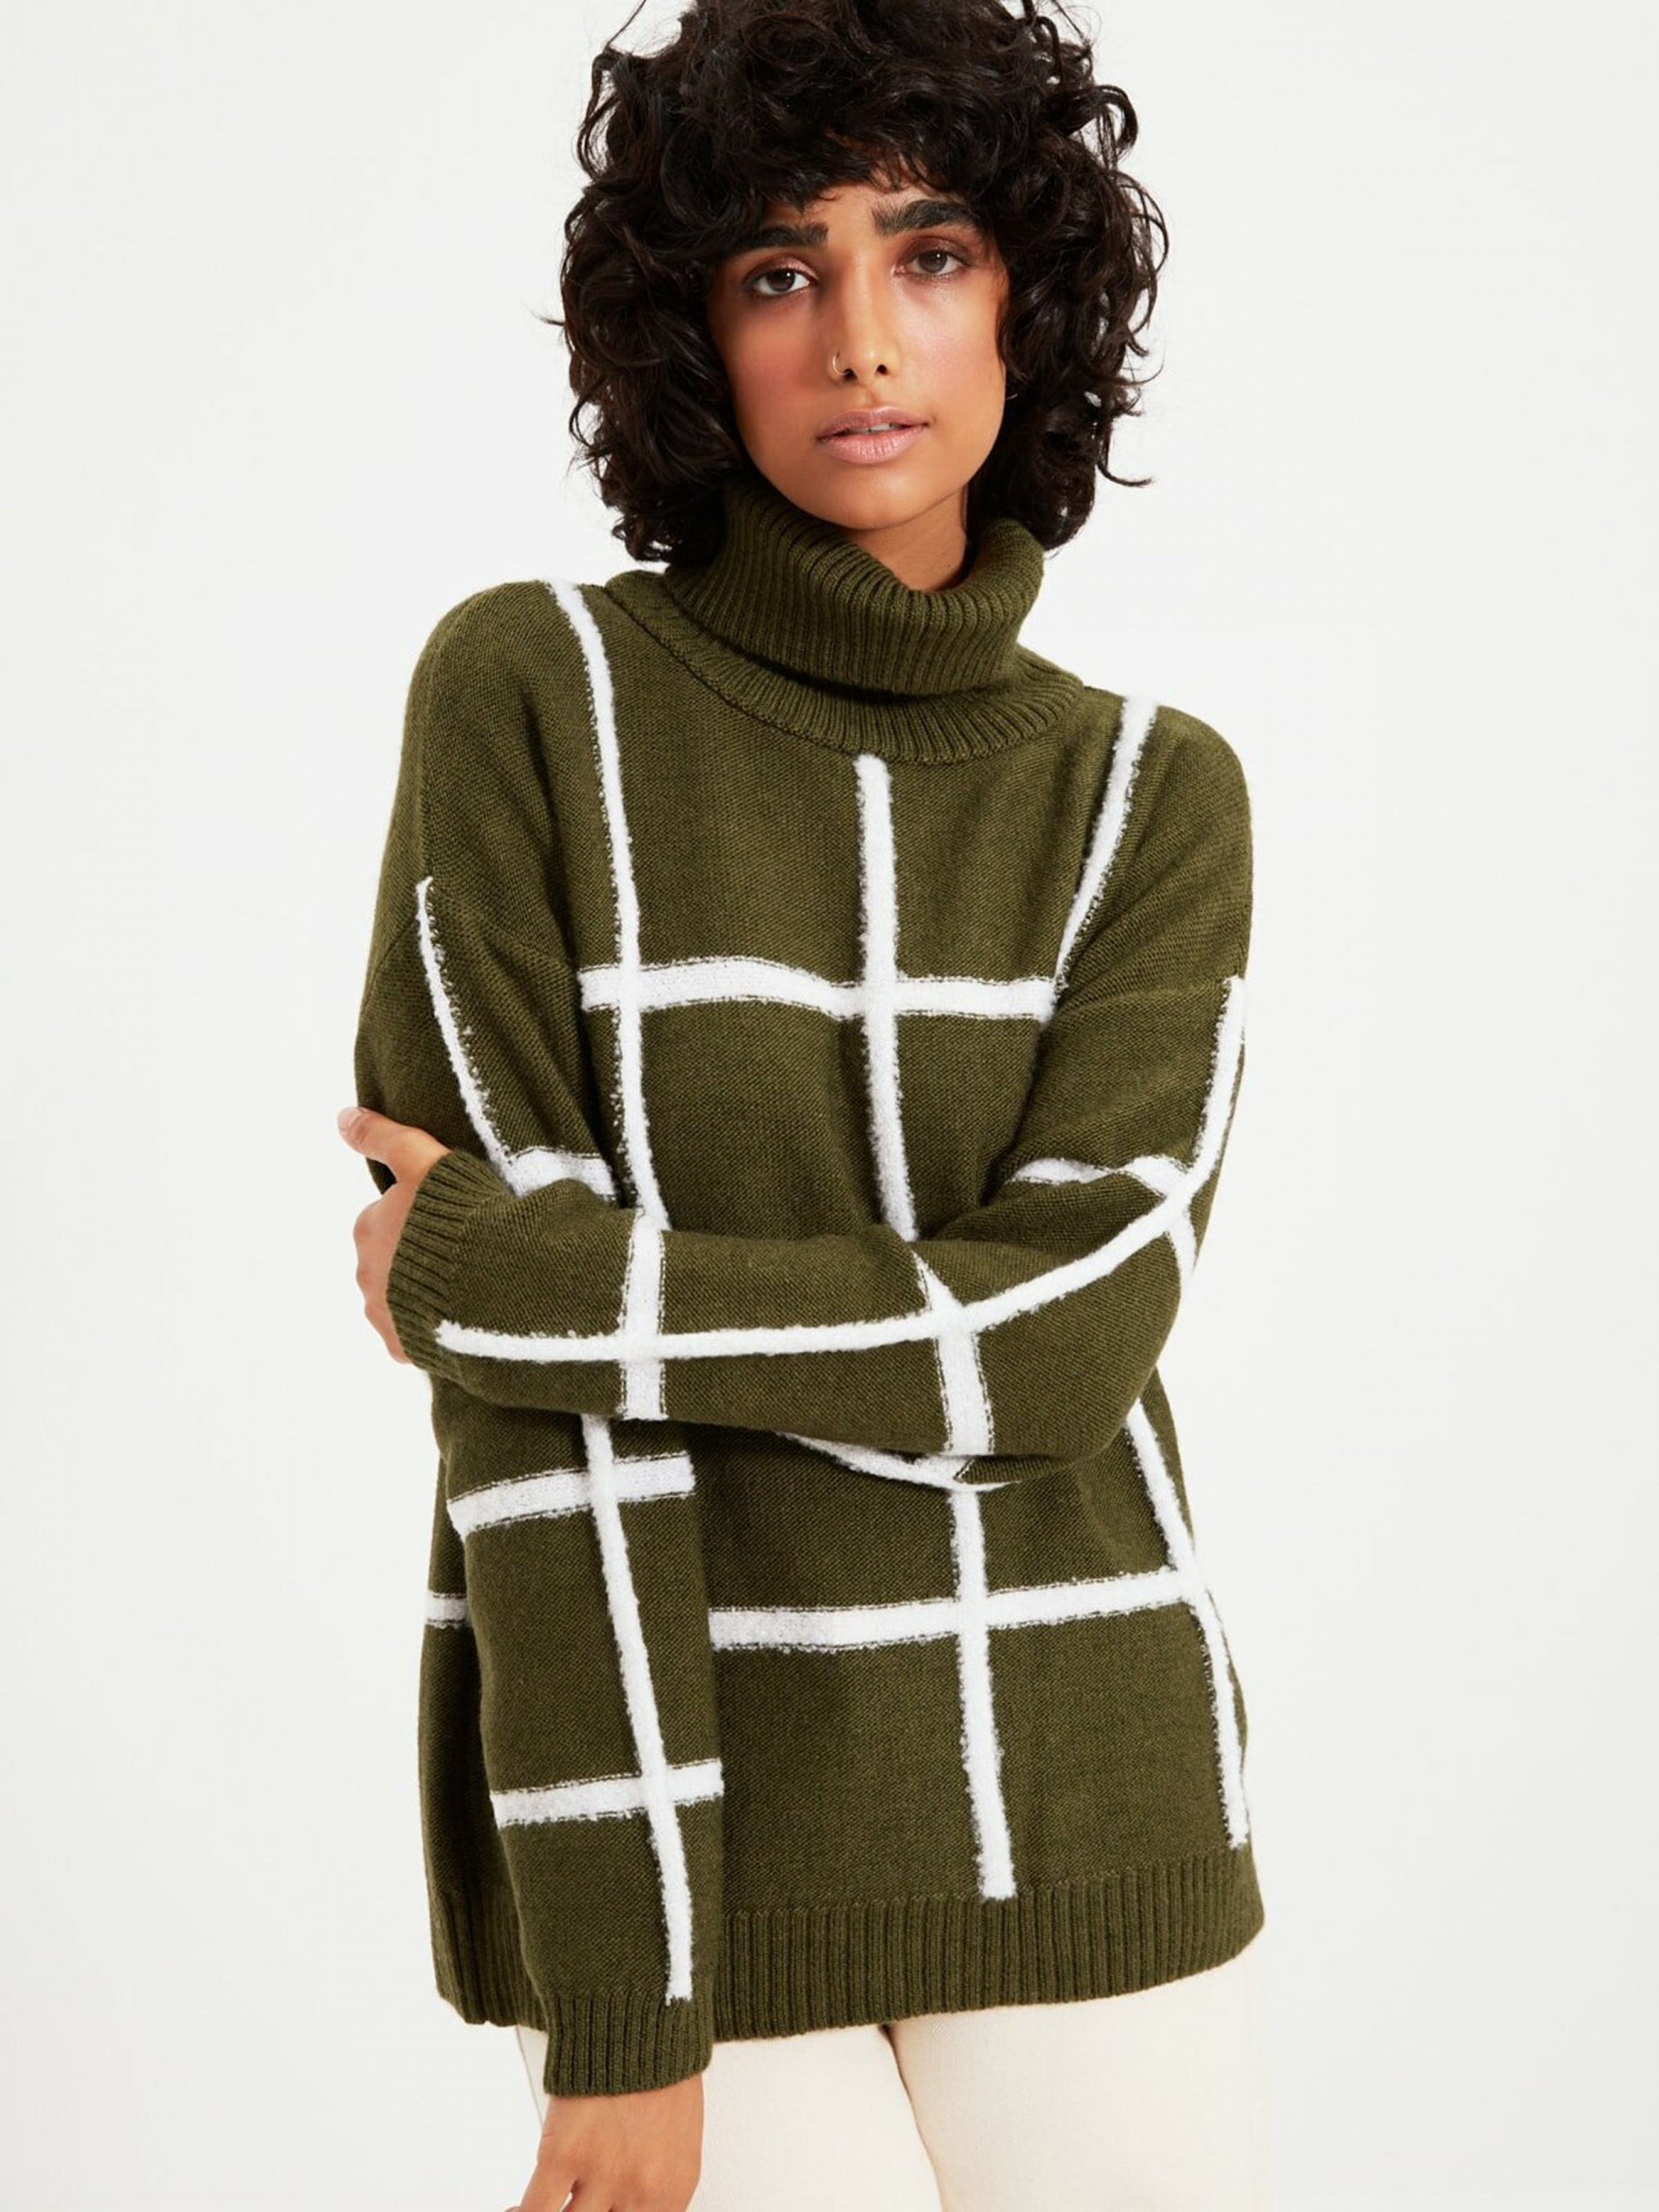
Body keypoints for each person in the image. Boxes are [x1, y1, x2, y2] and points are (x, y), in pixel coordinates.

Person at [339, 1, 1274, 2205]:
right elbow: (539, 1444)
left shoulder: (1147, 793)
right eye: (781, 270)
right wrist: (625, 1997)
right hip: (701, 1846)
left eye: (929, 254)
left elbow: (1059, 1341)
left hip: (1098, 1783)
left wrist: (528, 1281)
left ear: (1029, 302)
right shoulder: (536, 691)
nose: (860, 337)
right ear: (693, 333)